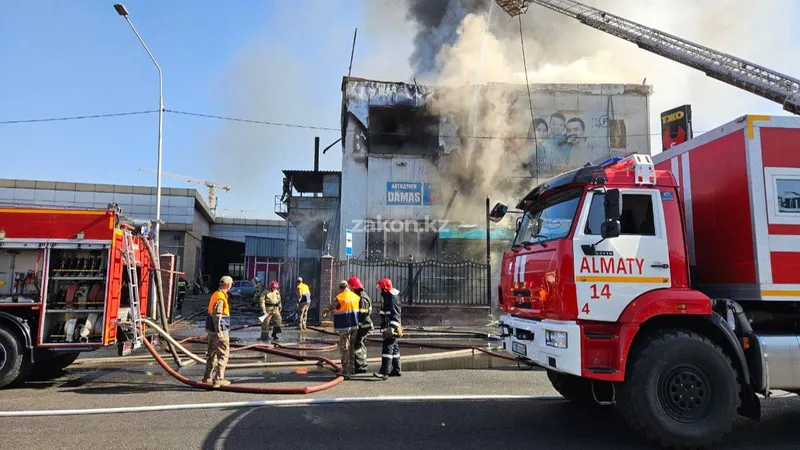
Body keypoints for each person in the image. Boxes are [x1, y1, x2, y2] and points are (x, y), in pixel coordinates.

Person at [322, 281, 360, 379]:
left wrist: (325, 311)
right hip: (354, 326)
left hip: (344, 327)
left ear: (340, 288)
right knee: (352, 347)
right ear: (347, 287)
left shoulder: (340, 297)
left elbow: (331, 306)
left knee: (344, 349)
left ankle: (346, 372)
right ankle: (352, 369)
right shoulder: (356, 297)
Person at [202, 276, 233, 387]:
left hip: (211, 331)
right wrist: (219, 331)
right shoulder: (220, 297)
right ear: (228, 285)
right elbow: (217, 316)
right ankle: (219, 379)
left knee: (211, 354)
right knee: (223, 355)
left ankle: (207, 377)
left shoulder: (215, 294)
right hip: (219, 332)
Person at [374, 277, 402, 380]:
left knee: (387, 349)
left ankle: (384, 372)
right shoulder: (387, 296)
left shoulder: (392, 297)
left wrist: (392, 327)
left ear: (385, 288)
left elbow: (396, 314)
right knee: (394, 349)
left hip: (391, 327)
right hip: (388, 325)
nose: (378, 290)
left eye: (380, 288)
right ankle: (396, 370)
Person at [348, 276, 373, 374]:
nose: (349, 289)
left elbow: (362, 314)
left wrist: (357, 326)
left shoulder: (362, 298)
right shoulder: (360, 295)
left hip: (363, 325)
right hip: (362, 325)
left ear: (354, 287)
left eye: (350, 287)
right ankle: (359, 364)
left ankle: (361, 366)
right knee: (359, 344)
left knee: (357, 344)